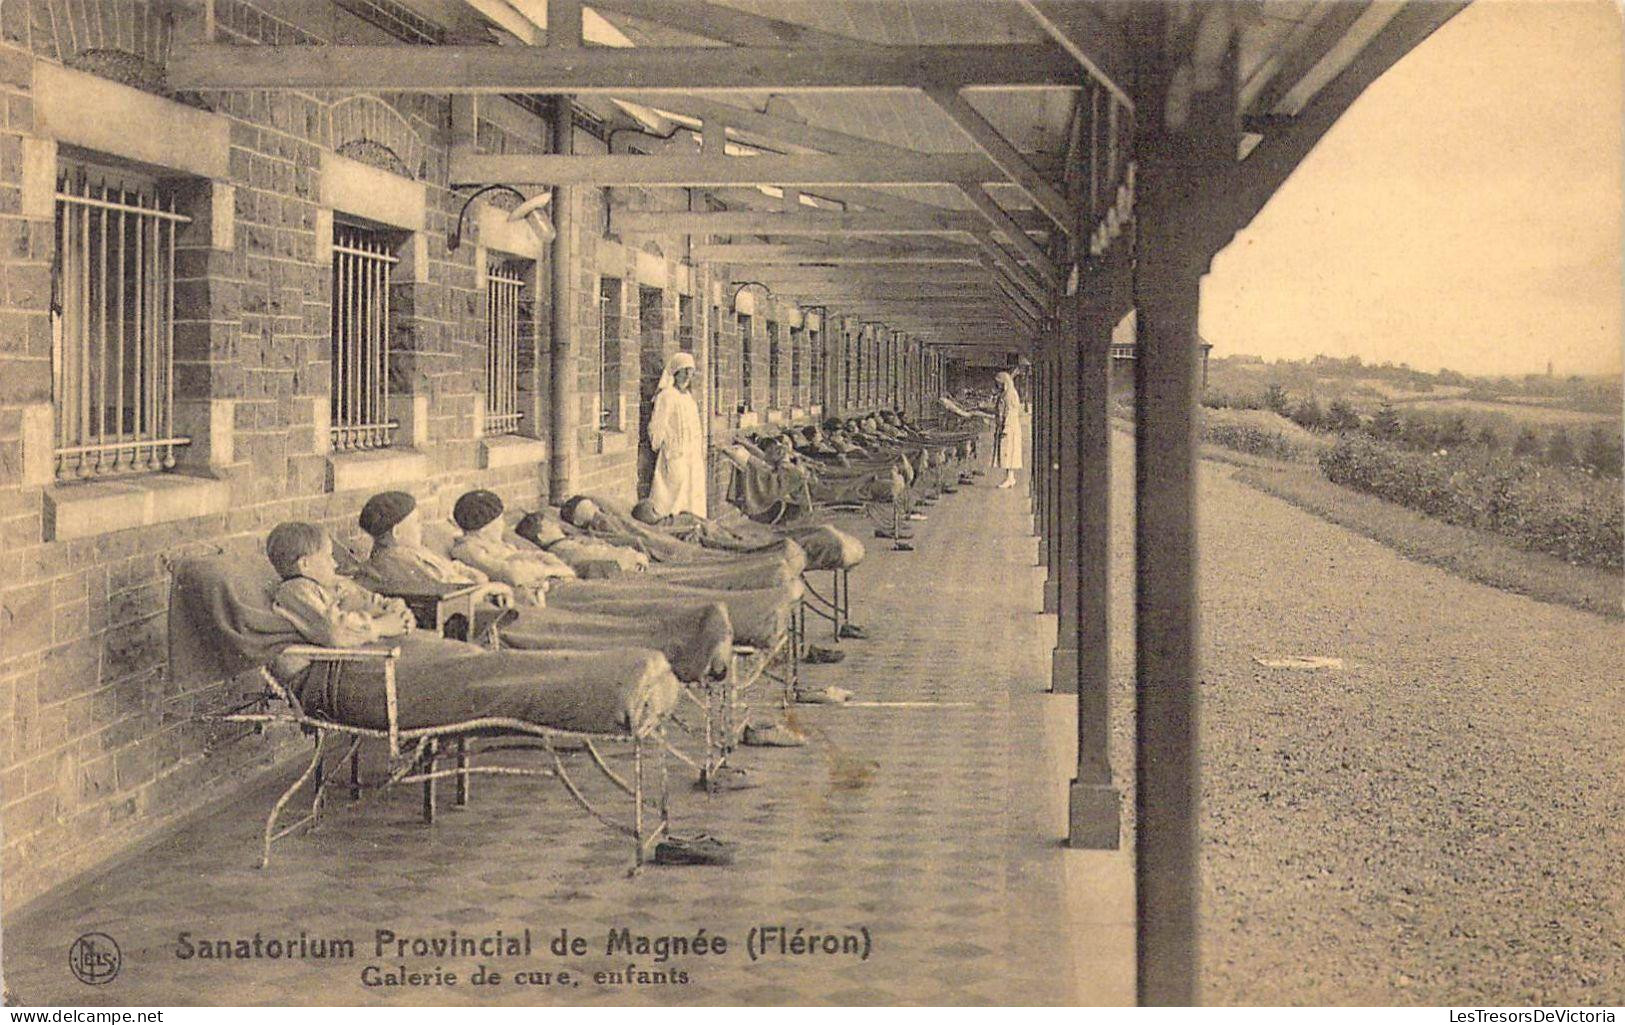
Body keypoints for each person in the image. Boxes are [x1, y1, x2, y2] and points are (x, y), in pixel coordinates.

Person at [266, 522, 416, 647]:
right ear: (305, 564)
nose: (335, 563)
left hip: (375, 648)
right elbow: (334, 631)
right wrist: (382, 626)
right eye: (328, 556)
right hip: (332, 667)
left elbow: (374, 600)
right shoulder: (295, 591)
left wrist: (400, 614)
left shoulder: (335, 582)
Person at [358, 491, 514, 608]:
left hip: (476, 599)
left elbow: (452, 568)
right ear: (397, 532)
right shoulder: (397, 559)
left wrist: (478, 579)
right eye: (417, 522)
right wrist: (493, 587)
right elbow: (450, 593)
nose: (421, 528)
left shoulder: (414, 551)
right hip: (466, 610)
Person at [449, 489, 576, 605]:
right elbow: (511, 573)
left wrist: (556, 569)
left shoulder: (498, 544)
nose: (502, 525)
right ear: (484, 528)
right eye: (499, 521)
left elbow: (540, 555)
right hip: (543, 592)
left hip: (557, 582)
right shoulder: (468, 549)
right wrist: (550, 570)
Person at [647, 351, 707, 517]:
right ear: (676, 372)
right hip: (674, 454)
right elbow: (657, 426)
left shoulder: (688, 398)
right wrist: (663, 445)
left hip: (692, 456)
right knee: (671, 498)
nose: (688, 375)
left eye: (691, 371)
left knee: (692, 494)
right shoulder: (666, 396)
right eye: (684, 371)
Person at [993, 370, 1023, 489]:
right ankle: (1010, 477)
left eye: (999, 383)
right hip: (1007, 427)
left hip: (1010, 428)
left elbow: (1011, 413)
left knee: (1008, 453)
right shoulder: (1005, 393)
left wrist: (1005, 428)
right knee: (1007, 453)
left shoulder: (1010, 395)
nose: (998, 386)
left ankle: (1010, 478)